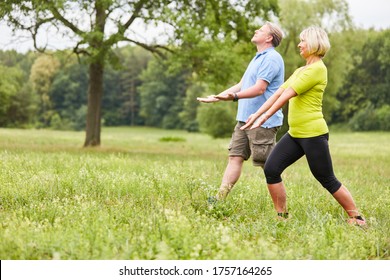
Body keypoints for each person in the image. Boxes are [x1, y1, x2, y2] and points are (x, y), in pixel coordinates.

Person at [241, 26, 366, 226]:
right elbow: (276, 93)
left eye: (303, 41)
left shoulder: (318, 69)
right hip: (295, 134)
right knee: (271, 169)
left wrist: (264, 118)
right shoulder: (301, 70)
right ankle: (281, 217)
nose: (299, 45)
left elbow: (287, 95)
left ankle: (357, 218)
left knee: (326, 178)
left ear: (315, 43)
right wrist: (257, 113)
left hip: (313, 134)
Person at [197, 22, 284, 201]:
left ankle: (281, 210)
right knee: (234, 157)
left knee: (269, 167)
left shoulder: (272, 58)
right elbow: (242, 84)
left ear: (269, 38)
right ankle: (218, 199)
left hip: (262, 121)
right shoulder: (258, 57)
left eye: (260, 30)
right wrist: (217, 97)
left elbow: (260, 89)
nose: (255, 31)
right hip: (244, 120)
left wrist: (234, 97)